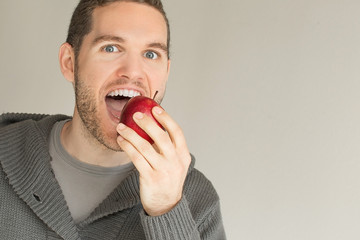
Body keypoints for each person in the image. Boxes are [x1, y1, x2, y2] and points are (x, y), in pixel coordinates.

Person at [0, 0, 226, 239]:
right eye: (111, 48)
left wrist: (167, 212)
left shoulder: (198, 202)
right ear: (70, 63)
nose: (133, 71)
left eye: (151, 54)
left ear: (166, 73)